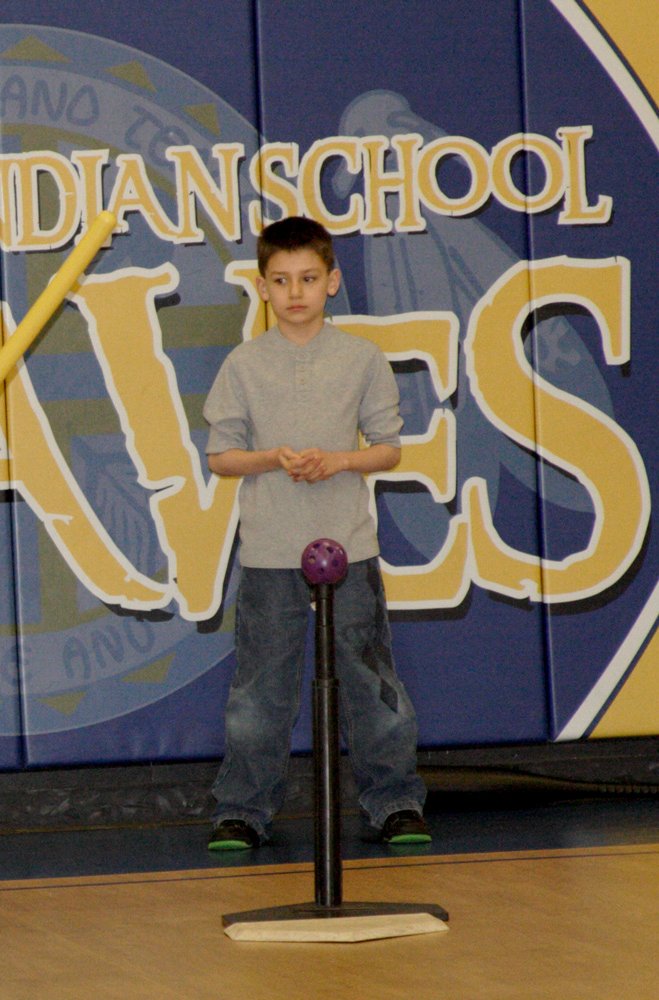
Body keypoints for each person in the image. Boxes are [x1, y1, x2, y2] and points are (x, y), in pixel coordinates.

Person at [202, 216, 430, 851]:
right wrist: (273, 457)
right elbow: (221, 458)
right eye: (281, 280)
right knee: (261, 686)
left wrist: (339, 460)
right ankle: (242, 809)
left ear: (331, 282)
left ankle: (395, 802)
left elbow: (388, 449)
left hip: (349, 546)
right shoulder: (243, 365)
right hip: (272, 550)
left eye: (308, 278)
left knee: (370, 678)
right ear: (263, 288)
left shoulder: (361, 358)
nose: (295, 291)